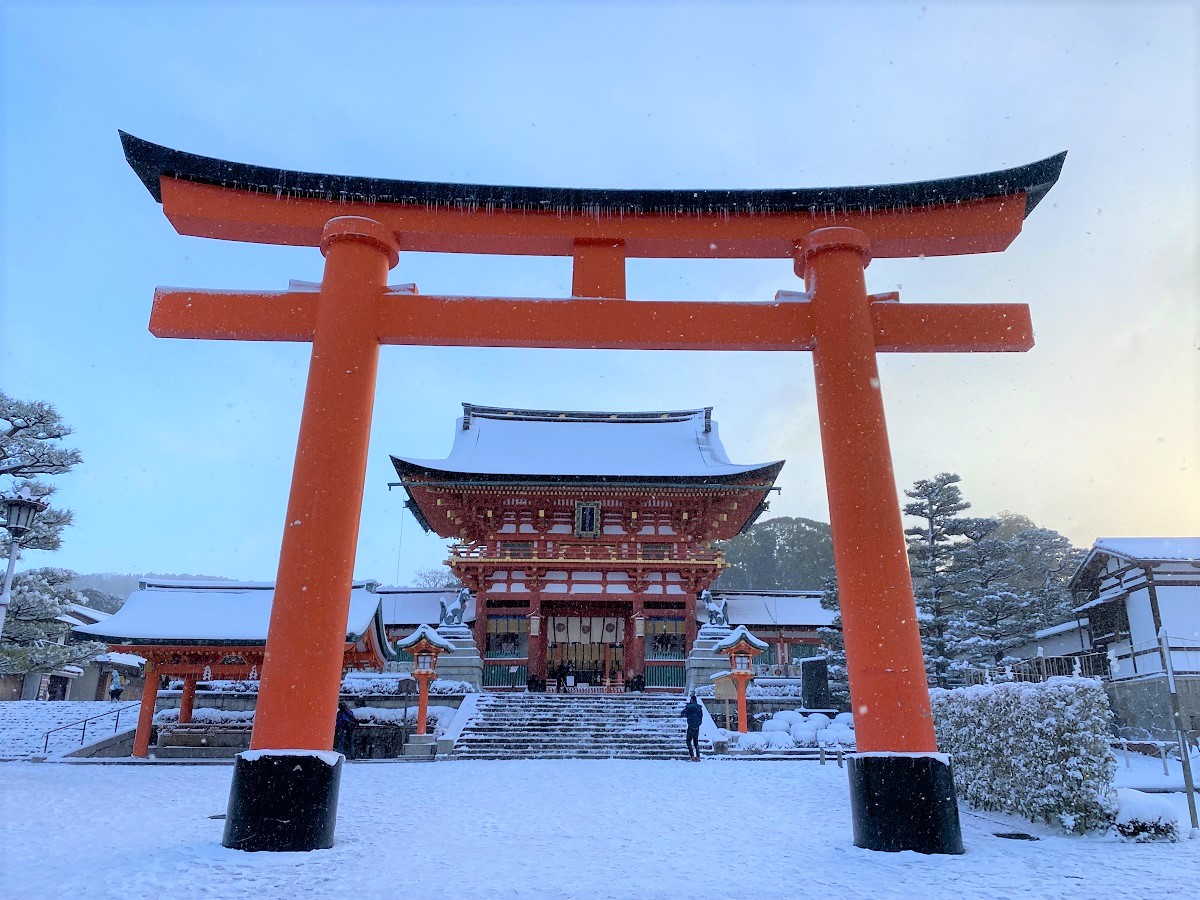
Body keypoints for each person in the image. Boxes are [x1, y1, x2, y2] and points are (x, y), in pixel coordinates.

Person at [682, 693, 704, 761]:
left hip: (690, 726)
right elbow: (701, 717)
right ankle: (698, 756)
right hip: (697, 727)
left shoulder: (689, 707)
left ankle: (692, 756)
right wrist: (698, 724)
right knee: (696, 742)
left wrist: (688, 716)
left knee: (688, 741)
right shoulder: (699, 708)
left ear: (691, 700)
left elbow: (683, 714)